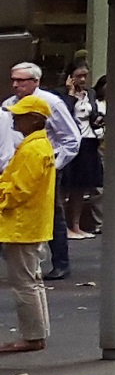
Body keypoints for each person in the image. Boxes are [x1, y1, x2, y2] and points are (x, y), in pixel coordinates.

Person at [0, 96, 52, 353]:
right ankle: (37, 333)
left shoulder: (33, 150)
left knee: (24, 283)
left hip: (22, 223)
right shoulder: (39, 146)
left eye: (20, 116)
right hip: (31, 222)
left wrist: (2, 195)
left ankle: (32, 337)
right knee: (32, 280)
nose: (14, 119)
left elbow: (20, 190)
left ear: (33, 119)